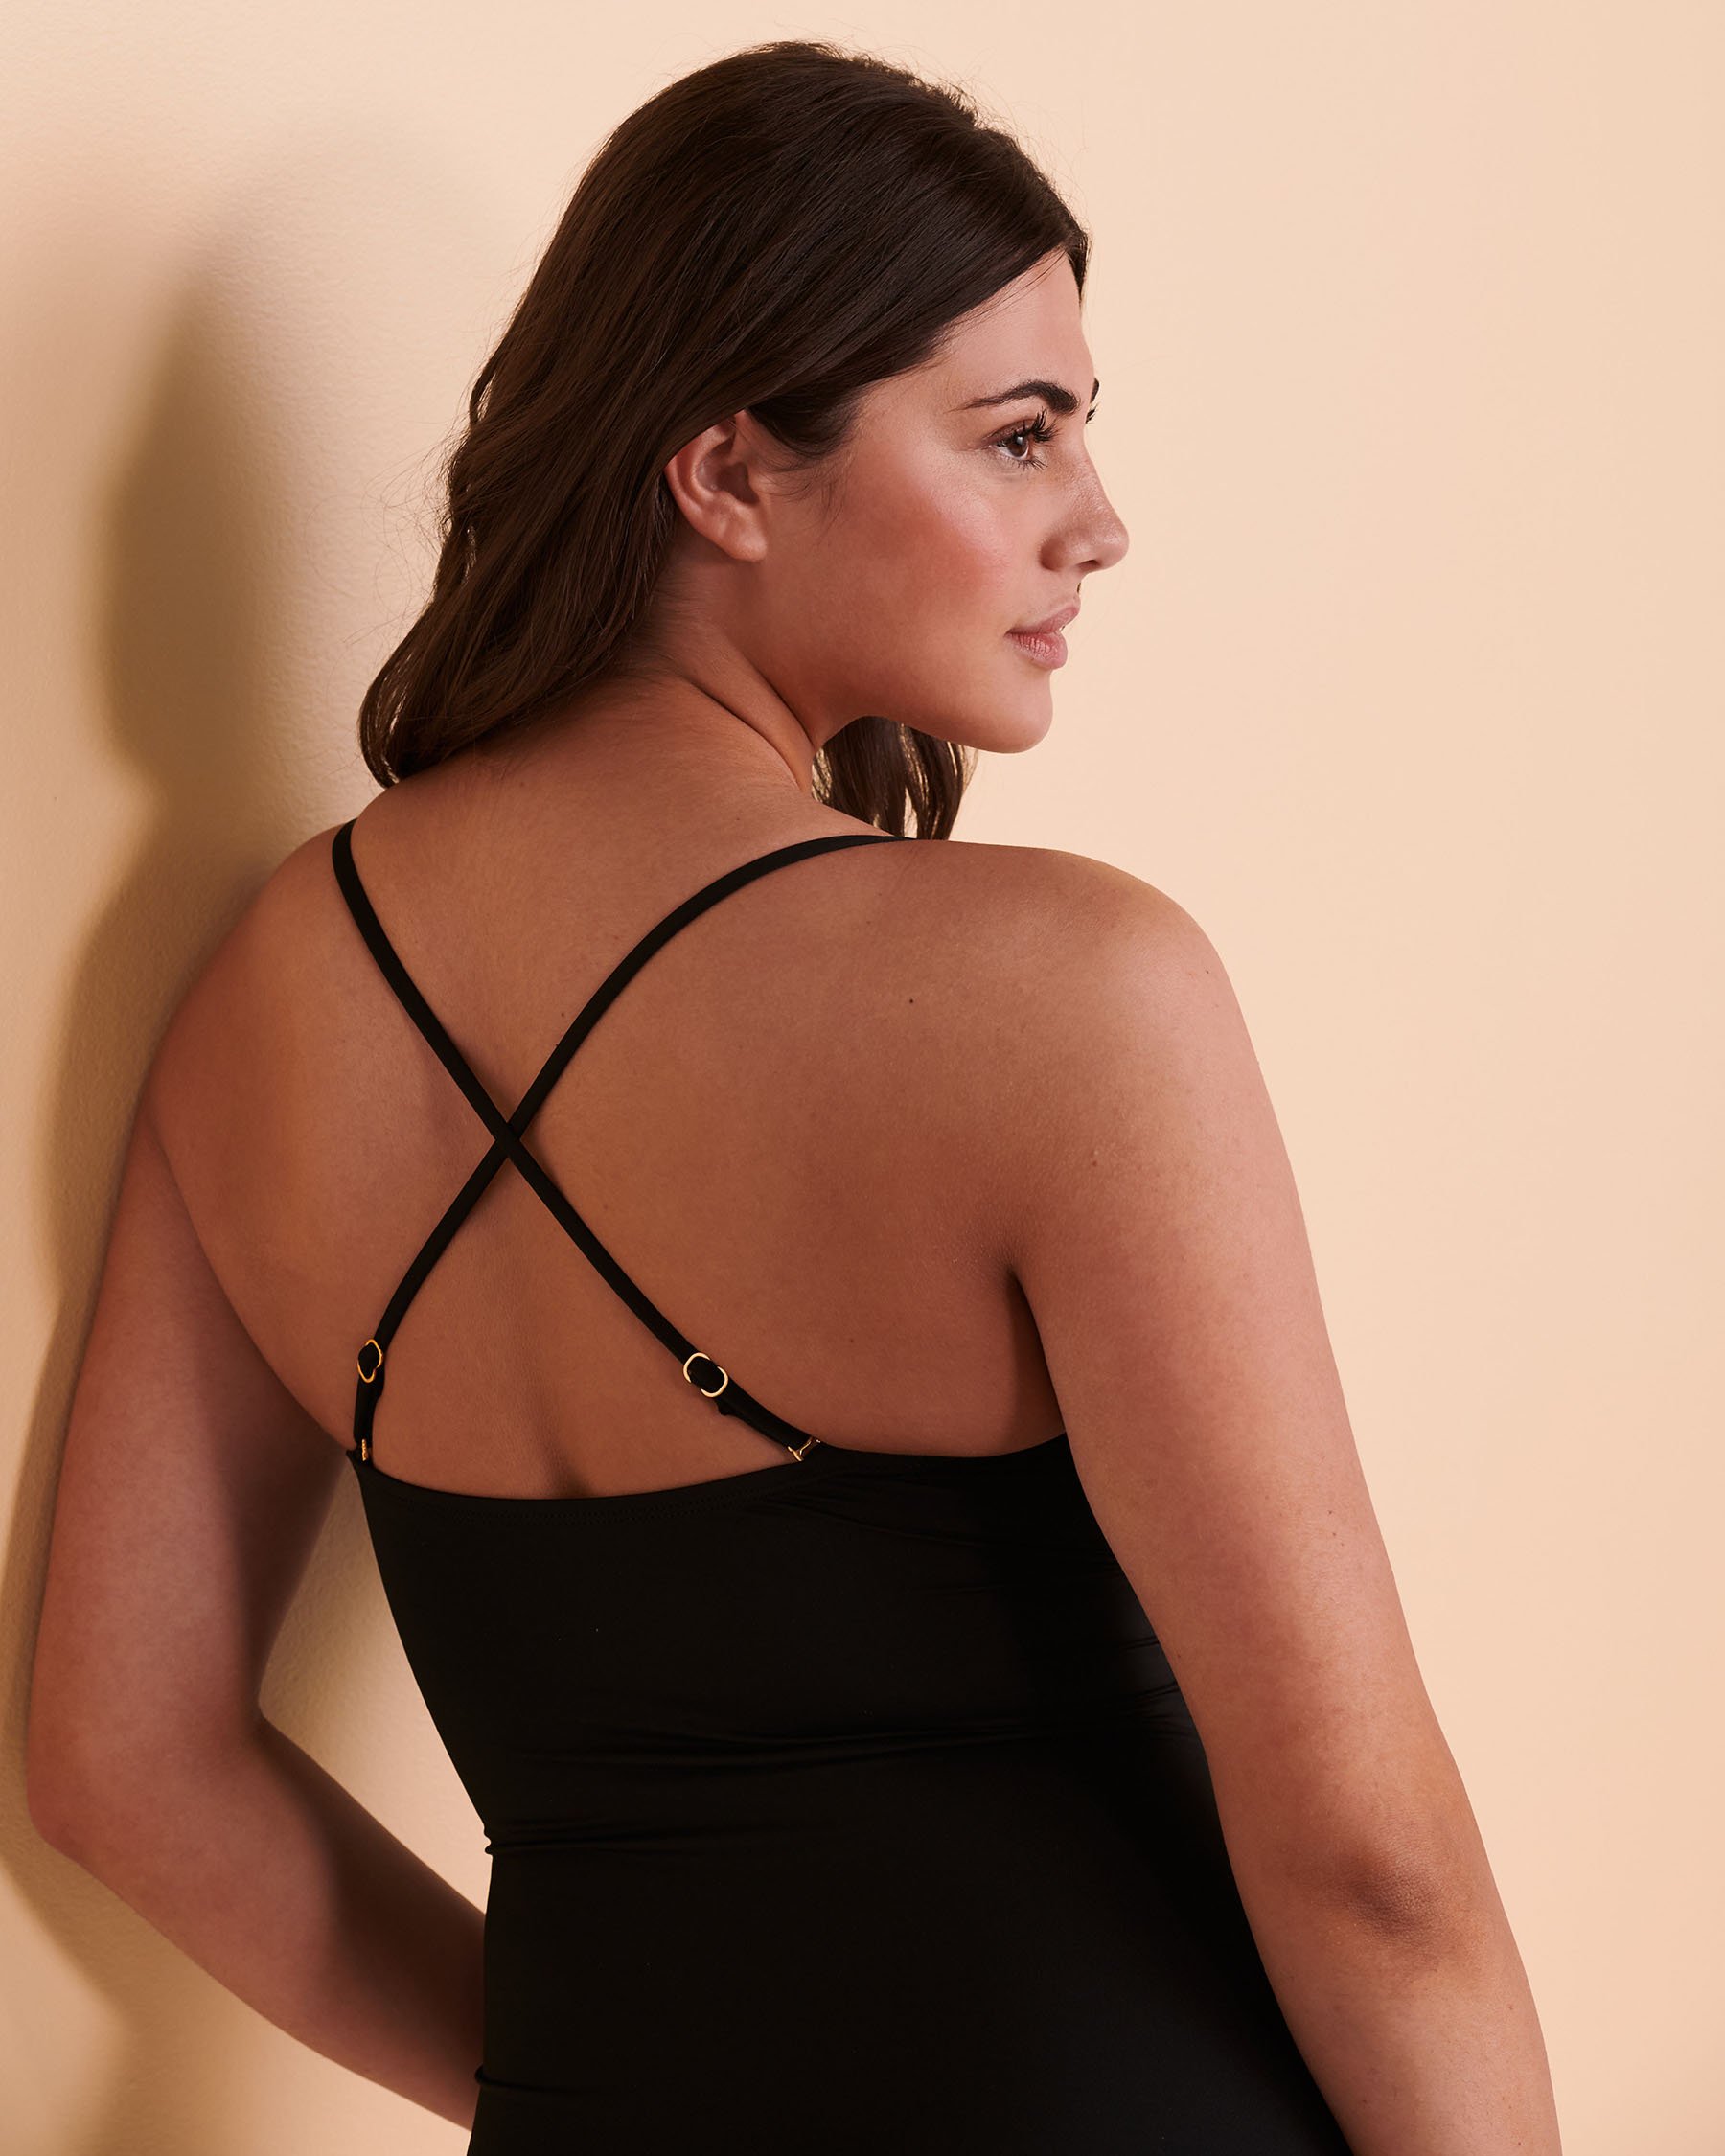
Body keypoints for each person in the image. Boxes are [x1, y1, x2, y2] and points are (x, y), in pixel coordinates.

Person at [27, 37, 1561, 2156]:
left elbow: (120, 1763)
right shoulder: (1065, 996)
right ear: (729, 475)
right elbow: (1373, 1872)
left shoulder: (265, 999)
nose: (1100, 524)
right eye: (1018, 436)